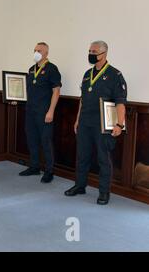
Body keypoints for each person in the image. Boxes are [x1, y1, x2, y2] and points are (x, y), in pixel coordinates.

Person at [65, 41, 127, 205]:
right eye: (89, 51)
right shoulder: (87, 74)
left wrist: (119, 124)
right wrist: (78, 119)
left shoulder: (115, 75)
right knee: (82, 156)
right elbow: (82, 99)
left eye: (94, 51)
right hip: (85, 122)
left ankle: (104, 192)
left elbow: (120, 102)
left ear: (104, 53)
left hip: (103, 125)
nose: (91, 54)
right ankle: (80, 185)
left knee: (103, 158)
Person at [19, 42, 62, 183]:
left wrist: (51, 111)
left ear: (46, 53)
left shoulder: (52, 69)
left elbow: (56, 91)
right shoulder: (31, 69)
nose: (36, 52)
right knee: (32, 139)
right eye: (35, 50)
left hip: (44, 112)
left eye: (39, 50)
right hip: (30, 111)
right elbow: (26, 90)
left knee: (46, 141)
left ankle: (49, 171)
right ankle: (34, 166)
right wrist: (15, 99)